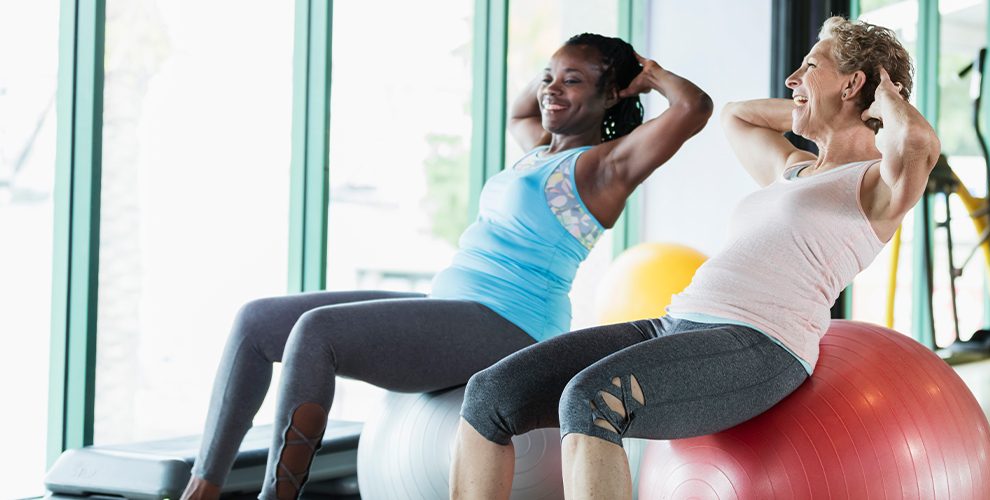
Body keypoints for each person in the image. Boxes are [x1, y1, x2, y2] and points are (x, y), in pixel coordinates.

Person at [181, 33, 712, 500]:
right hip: (455, 309)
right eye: (548, 77)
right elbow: (519, 111)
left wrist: (646, 73)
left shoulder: (604, 166)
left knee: (317, 332)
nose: (551, 88)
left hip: (510, 326)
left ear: (611, 92)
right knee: (257, 321)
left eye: (572, 82)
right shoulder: (539, 150)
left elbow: (694, 108)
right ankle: (201, 489)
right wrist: (558, 72)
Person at [449, 17, 938, 500]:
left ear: (854, 84)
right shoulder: (793, 169)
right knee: (491, 393)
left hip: (760, 345)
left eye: (809, 66)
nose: (792, 80)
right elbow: (735, 115)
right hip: (675, 324)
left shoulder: (876, 186)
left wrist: (879, 101)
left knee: (592, 400)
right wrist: (813, 104)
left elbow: (918, 144)